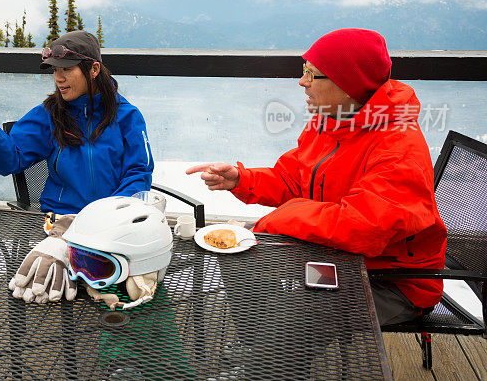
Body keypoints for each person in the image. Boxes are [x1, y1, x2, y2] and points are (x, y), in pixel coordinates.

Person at [187, 28, 447, 326]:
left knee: (294, 316)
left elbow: (361, 227)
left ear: (348, 84)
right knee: (240, 261)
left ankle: (274, 361)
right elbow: (296, 180)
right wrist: (241, 180)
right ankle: (262, 357)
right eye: (304, 70)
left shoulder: (399, 147)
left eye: (312, 74)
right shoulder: (332, 121)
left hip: (390, 280)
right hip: (338, 256)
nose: (302, 82)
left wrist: (273, 222)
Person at [0, 30, 154, 215]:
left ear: (94, 69)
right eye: (54, 70)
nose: (58, 78)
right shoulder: (49, 113)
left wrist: (115, 211)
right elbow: (9, 160)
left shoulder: (127, 116)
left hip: (112, 219)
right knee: (48, 256)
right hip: (60, 219)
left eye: (66, 69)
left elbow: (138, 172)